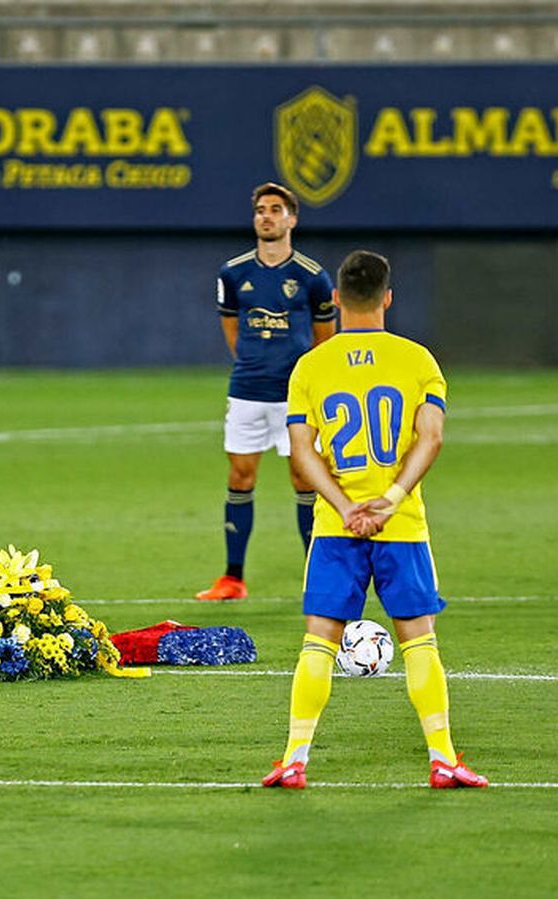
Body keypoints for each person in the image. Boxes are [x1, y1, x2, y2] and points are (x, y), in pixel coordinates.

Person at [263, 250, 486, 790]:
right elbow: (430, 438)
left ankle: (294, 759)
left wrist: (345, 507)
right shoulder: (418, 361)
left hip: (337, 527)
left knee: (319, 640)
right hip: (401, 525)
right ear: (388, 297)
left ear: (336, 299)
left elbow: (300, 450)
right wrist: (389, 499)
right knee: (419, 640)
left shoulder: (310, 366)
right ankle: (442, 759)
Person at [197, 182, 337, 601]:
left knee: (303, 478)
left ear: (292, 219)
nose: (267, 216)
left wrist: (304, 382)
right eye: (261, 209)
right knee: (240, 476)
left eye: (276, 210)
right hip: (246, 393)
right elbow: (232, 331)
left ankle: (319, 576)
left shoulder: (312, 277)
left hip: (294, 397)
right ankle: (232, 578)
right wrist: (253, 364)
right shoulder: (233, 272)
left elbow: (325, 340)